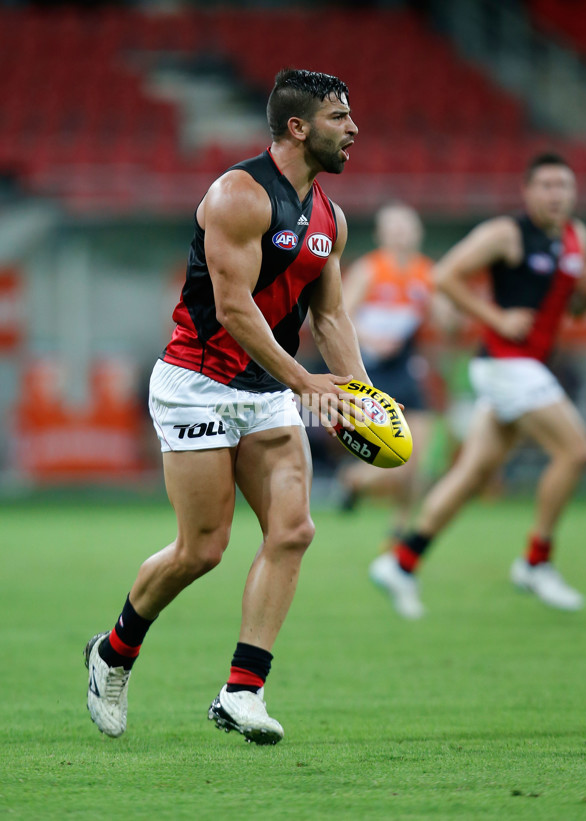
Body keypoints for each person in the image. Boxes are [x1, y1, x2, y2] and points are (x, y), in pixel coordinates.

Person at [84, 68, 368, 744]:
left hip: (268, 390)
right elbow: (236, 310)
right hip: (200, 380)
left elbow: (329, 314)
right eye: (338, 117)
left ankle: (243, 691)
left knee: (294, 530)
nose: (353, 128)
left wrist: (359, 392)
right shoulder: (237, 195)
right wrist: (306, 384)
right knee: (202, 548)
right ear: (298, 127)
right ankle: (112, 654)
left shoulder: (330, 216)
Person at [370, 153, 586, 618]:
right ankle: (536, 562)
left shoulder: (578, 238)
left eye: (564, 186)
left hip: (527, 367)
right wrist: (496, 317)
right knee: (576, 451)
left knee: (472, 474)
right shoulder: (507, 233)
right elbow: (444, 275)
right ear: (527, 191)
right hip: (504, 365)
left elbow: (573, 310)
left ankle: (402, 561)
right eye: (547, 186)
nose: (557, 195)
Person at [339, 204, 439, 529]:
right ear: (380, 234)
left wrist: (447, 309)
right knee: (393, 458)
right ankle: (354, 481)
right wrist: (373, 339)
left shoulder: (427, 272)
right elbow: (339, 317)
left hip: (410, 369)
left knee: (417, 460)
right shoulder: (369, 270)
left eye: (406, 226)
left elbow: (447, 320)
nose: (400, 233)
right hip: (374, 371)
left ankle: (400, 527)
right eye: (393, 227)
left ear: (418, 232)